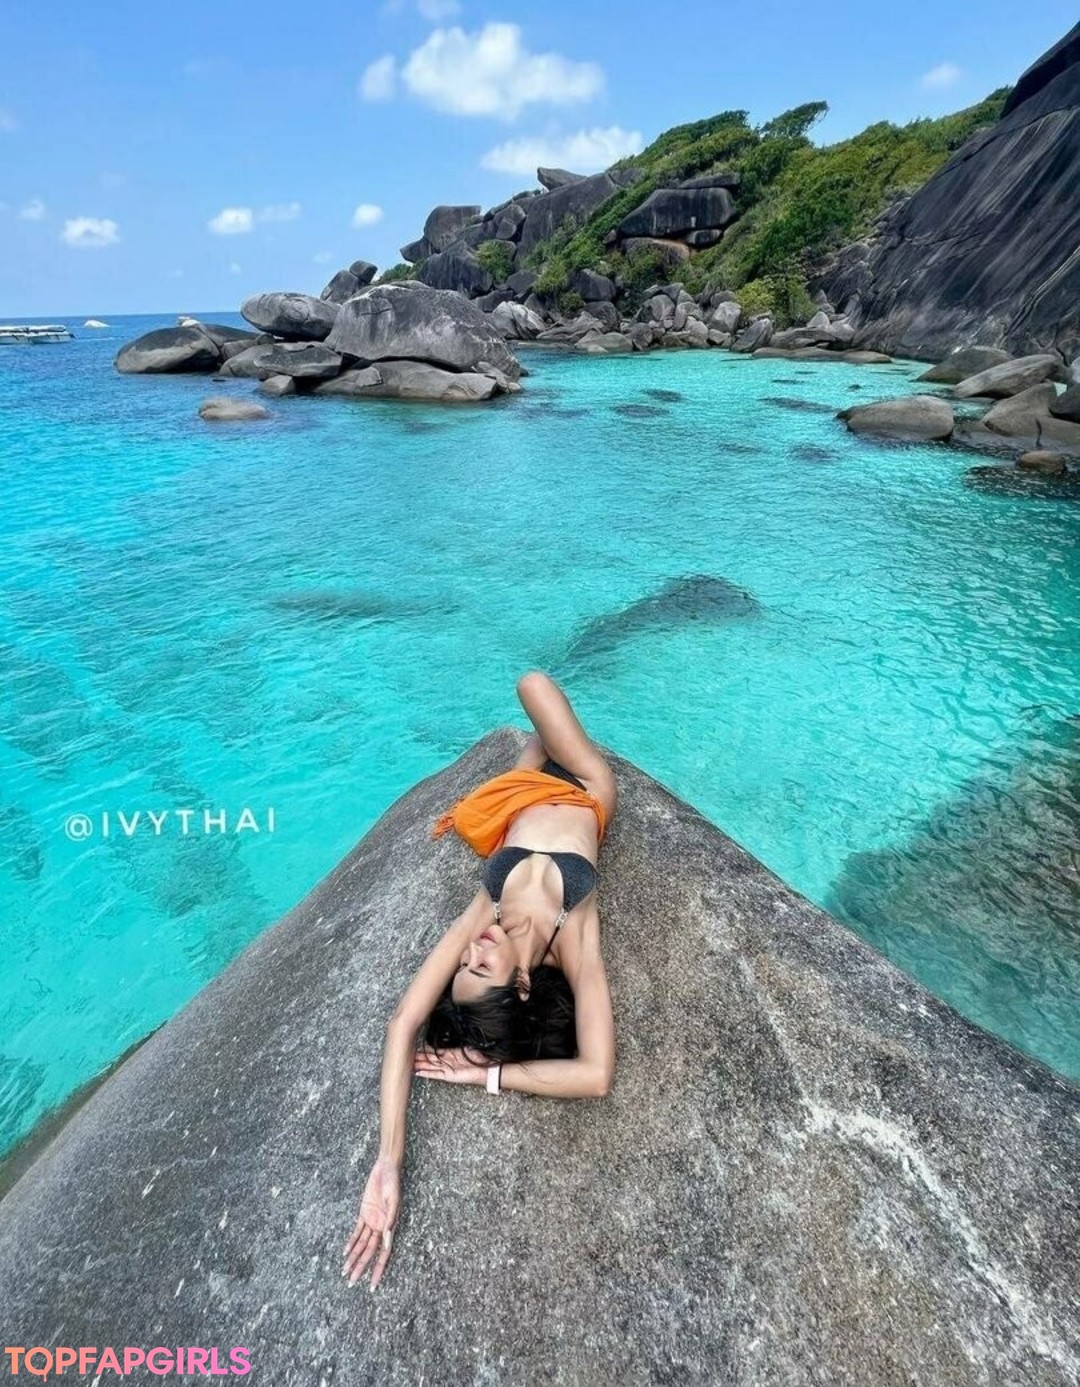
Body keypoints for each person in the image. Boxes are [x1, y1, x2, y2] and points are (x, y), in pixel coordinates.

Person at [342, 670, 618, 1291]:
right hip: (586, 791)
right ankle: (544, 748)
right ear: (521, 985)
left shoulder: (485, 911)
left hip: (520, 800)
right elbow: (596, 1074)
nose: (471, 951)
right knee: (539, 697)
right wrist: (486, 1076)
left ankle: (534, 754)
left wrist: (387, 1158)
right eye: (479, 967)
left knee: (531, 687)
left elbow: (403, 1023)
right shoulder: (574, 938)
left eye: (461, 964)